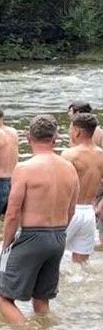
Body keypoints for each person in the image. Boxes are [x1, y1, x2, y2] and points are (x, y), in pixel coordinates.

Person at [0, 116, 78, 326]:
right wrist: (57, 234)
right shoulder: (69, 168)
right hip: (58, 236)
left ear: (28, 137)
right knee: (41, 299)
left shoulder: (24, 168)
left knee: (2, 297)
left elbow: (12, 212)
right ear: (55, 139)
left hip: (32, 236)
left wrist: (6, 245)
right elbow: (71, 210)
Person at [61, 113, 103, 264]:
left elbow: (59, 185)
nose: (69, 132)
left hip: (70, 212)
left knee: (51, 258)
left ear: (77, 131)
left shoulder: (69, 154)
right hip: (89, 213)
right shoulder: (101, 155)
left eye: (70, 129)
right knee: (81, 264)